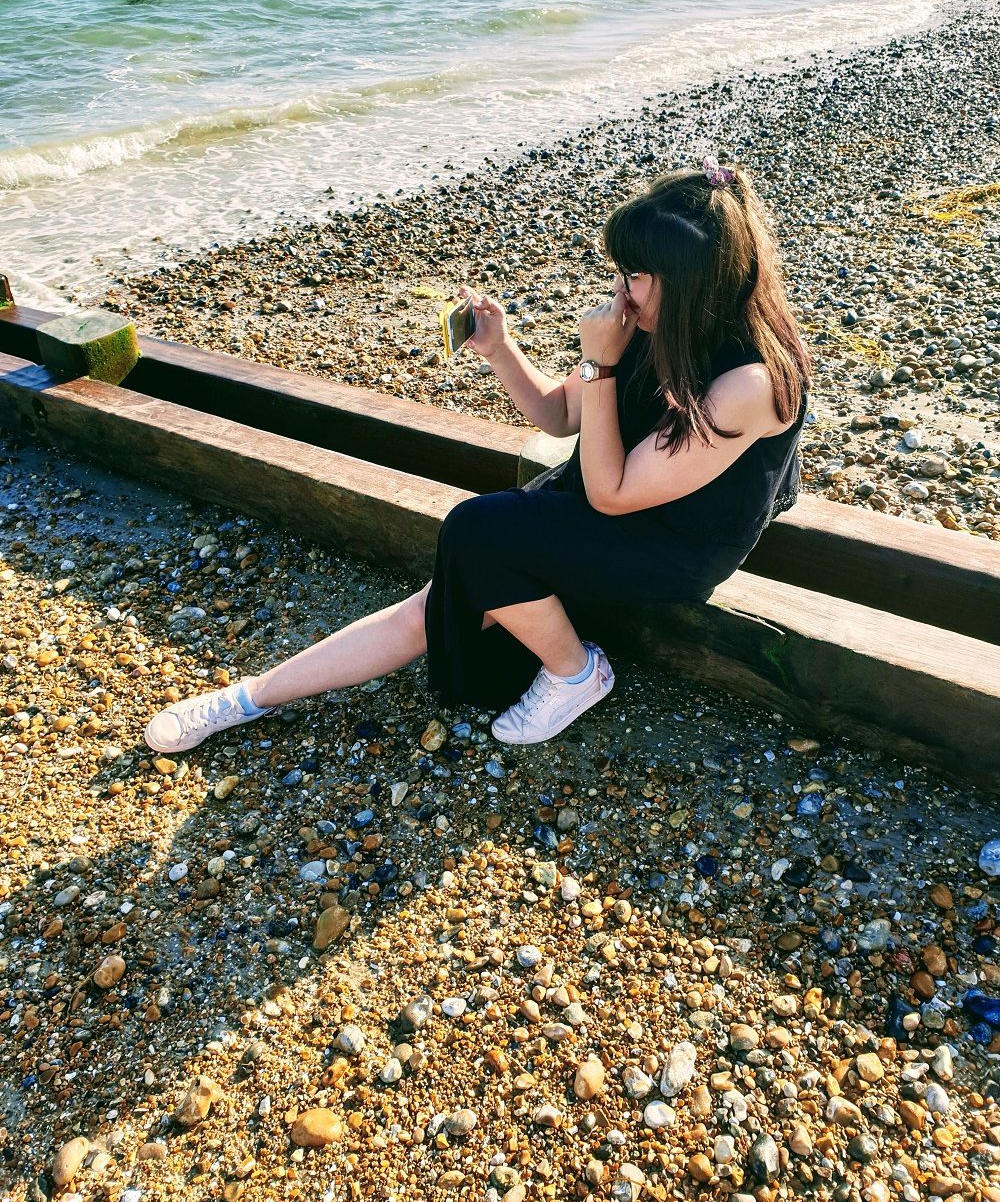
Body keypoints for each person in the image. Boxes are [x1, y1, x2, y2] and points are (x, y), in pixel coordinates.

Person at [145, 159, 810, 755]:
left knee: (477, 533)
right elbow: (557, 412)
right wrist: (498, 348)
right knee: (443, 596)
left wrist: (601, 362)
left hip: (675, 541)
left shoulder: (751, 384)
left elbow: (610, 493)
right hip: (619, 489)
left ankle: (576, 671)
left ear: (690, 281)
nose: (620, 288)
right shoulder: (653, 322)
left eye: (635, 273)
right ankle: (249, 698)